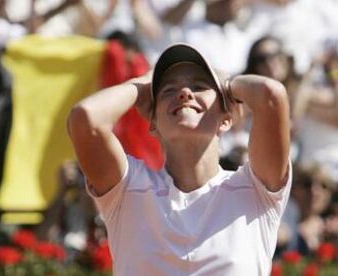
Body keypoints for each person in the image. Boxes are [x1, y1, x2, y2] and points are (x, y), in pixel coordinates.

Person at [68, 43, 291, 275]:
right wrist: (143, 83)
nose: (184, 93)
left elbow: (271, 96)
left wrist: (229, 85)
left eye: (199, 86)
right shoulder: (127, 190)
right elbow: (85, 118)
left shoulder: (254, 190)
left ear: (226, 119)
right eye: (168, 90)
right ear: (151, 122)